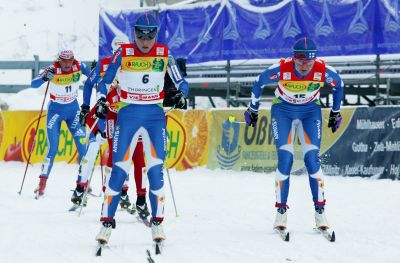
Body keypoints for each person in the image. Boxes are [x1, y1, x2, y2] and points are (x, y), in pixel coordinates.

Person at [95, 13, 189, 245]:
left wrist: (181, 96)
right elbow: (105, 81)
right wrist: (101, 100)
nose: (145, 40)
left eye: (150, 35)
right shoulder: (124, 52)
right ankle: (106, 223)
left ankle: (157, 222)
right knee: (118, 171)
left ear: (156, 35)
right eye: (140, 34)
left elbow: (182, 82)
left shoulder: (164, 53)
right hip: (127, 116)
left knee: (155, 171)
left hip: (154, 118)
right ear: (134, 33)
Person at [244, 37, 343, 231]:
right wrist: (253, 109)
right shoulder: (281, 68)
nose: (305, 65)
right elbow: (258, 82)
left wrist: (335, 112)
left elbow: (338, 85)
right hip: (283, 112)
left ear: (315, 59)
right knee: (285, 159)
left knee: (312, 160)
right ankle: (281, 212)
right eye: (300, 61)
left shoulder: (323, 70)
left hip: (309, 112)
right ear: (293, 58)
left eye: (309, 61)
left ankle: (320, 212)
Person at [70, 35, 147, 214]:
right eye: (117, 51)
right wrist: (85, 107)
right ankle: (83, 188)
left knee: (119, 150)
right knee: (101, 147)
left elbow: (89, 84)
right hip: (107, 113)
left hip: (122, 113)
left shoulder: (126, 62)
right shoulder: (107, 63)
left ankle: (118, 191)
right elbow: (89, 84)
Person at [31, 48, 91, 198]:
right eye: (64, 61)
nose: (67, 64)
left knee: (83, 147)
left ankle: (84, 183)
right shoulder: (52, 69)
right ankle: (42, 184)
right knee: (53, 148)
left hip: (73, 110)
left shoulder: (79, 66)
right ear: (59, 60)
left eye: (69, 60)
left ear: (73, 59)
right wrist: (45, 78)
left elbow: (93, 77)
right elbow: (33, 84)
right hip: (55, 111)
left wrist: (95, 71)